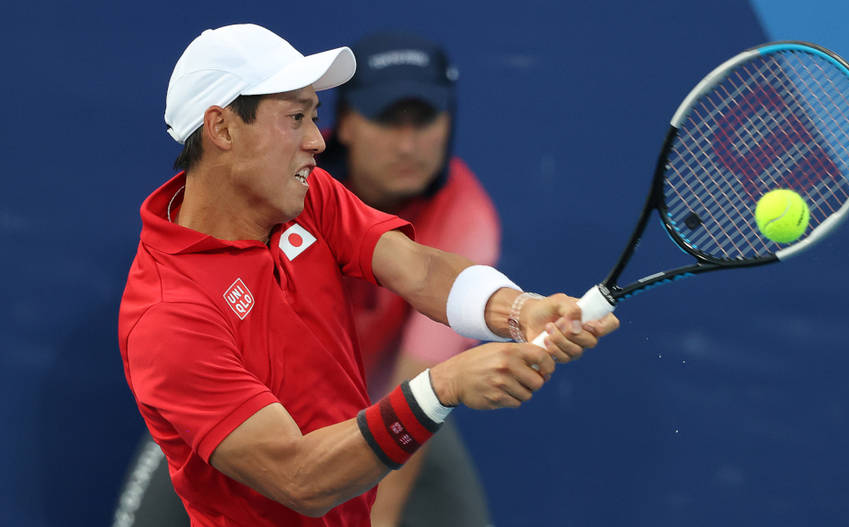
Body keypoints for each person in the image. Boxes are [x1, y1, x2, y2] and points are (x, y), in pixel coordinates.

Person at [118, 23, 619, 527]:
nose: (317, 140)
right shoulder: (169, 317)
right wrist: (442, 387)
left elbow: (419, 267)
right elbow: (300, 479)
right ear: (222, 129)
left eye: (314, 115)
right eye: (295, 117)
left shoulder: (309, 196)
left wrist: (520, 311)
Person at [317, 31, 500, 527]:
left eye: (423, 120)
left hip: (391, 404)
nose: (408, 144)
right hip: (256, 404)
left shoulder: (466, 215)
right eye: (386, 119)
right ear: (348, 124)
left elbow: (416, 394)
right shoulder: (286, 192)